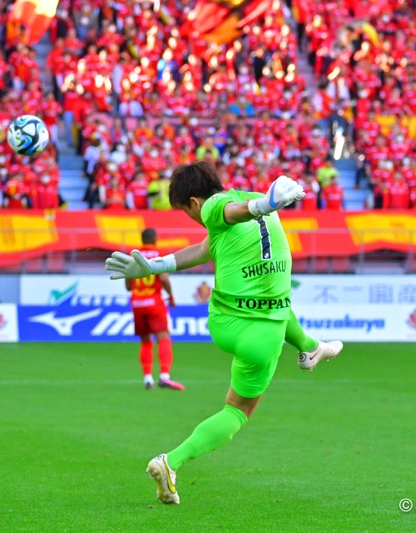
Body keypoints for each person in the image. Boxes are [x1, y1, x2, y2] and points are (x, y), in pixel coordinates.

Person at [105, 161, 343, 504]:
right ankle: (171, 462)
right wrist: (265, 205)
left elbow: (216, 231)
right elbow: (233, 217)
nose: (192, 219)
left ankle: (311, 348)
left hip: (227, 320)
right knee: (238, 412)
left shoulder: (214, 207)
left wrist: (156, 264)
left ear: (194, 202)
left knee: (279, 305)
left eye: (185, 212)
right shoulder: (250, 203)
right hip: (259, 335)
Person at [125, 228, 183, 391]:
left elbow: (128, 286)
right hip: (154, 302)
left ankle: (148, 378)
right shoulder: (159, 254)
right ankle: (164, 376)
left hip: (137, 303)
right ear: (155, 239)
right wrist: (171, 296)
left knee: (145, 340)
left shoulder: (133, 257)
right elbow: (163, 278)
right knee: (163, 337)